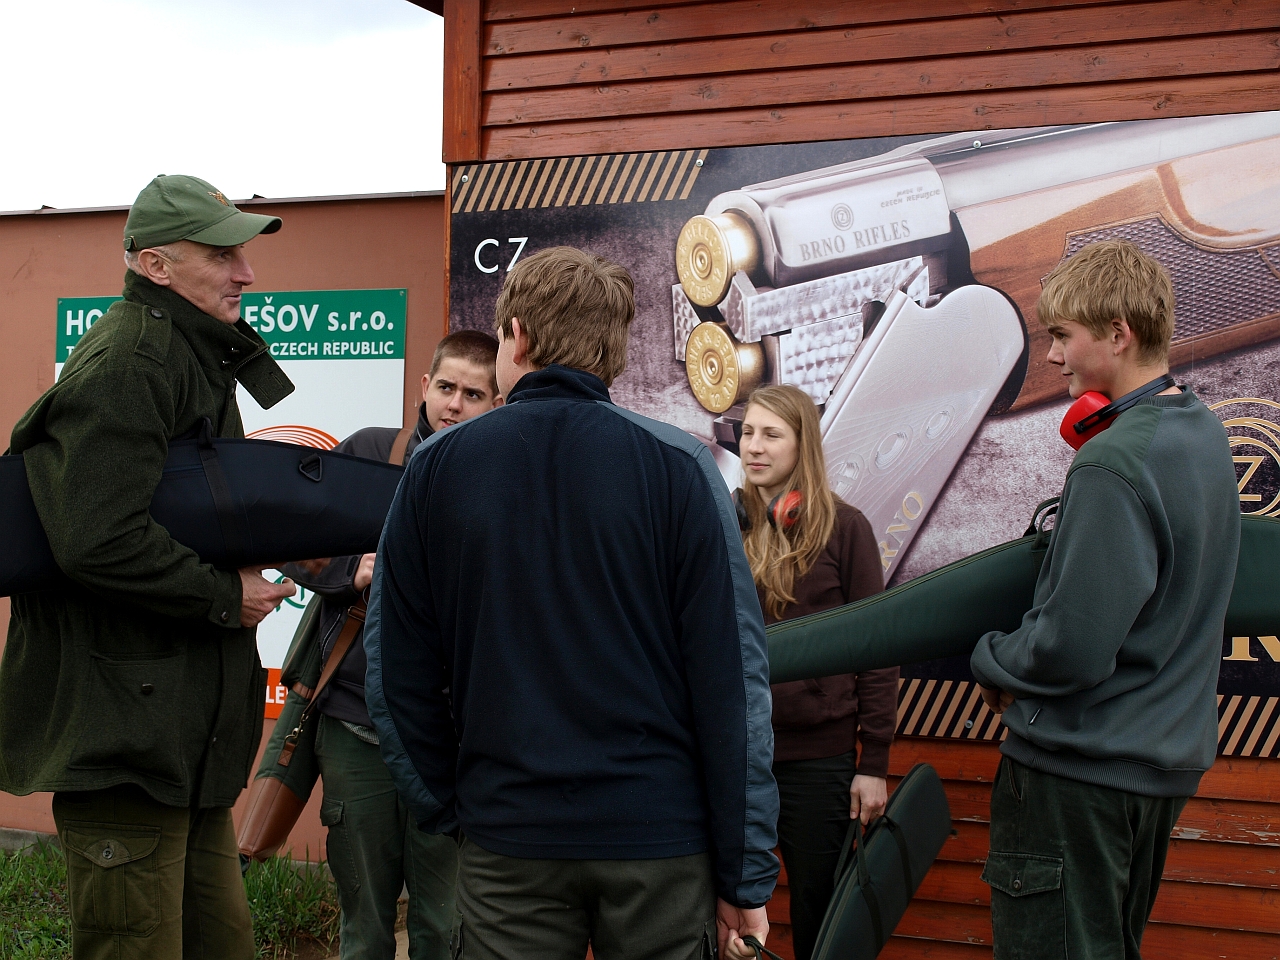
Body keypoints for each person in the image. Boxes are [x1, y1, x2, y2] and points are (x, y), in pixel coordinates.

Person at [364, 246, 779, 960]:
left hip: (508, 839)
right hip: (658, 842)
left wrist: (453, 808)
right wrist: (744, 874)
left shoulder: (437, 469)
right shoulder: (681, 469)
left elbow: (396, 671)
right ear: (612, 351)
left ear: (517, 337)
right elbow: (731, 680)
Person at [0, 175, 298, 959]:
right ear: (156, 265)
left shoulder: (183, 350)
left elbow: (178, 513)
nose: (246, 273)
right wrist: (222, 594)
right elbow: (97, 538)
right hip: (127, 748)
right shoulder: (132, 359)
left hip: (175, 750)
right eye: (222, 255)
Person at [970, 240, 1241, 959]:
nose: (1053, 356)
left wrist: (992, 660)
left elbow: (1072, 648)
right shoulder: (1203, 434)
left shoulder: (1112, 460)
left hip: (1075, 779)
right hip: (1152, 775)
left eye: (1062, 335)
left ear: (1119, 333)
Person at [278, 330, 503, 960]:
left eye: (473, 394)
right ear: (424, 386)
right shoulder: (371, 453)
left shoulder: (502, 478)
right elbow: (287, 538)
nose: (454, 404)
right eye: (446, 387)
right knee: (364, 927)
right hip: (355, 729)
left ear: (497, 402)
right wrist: (351, 570)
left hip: (451, 741)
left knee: (444, 927)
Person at [735, 384, 898, 960]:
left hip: (817, 762)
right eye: (747, 432)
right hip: (736, 759)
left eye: (771, 434)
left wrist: (873, 763)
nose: (754, 446)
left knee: (818, 912)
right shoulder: (723, 526)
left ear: (802, 444)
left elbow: (877, 648)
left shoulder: (846, 529)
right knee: (722, 912)